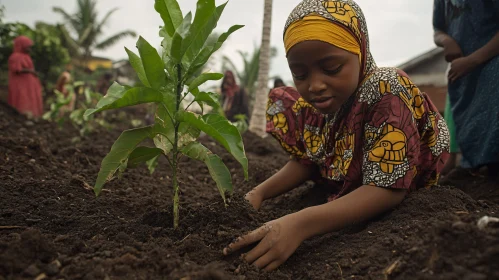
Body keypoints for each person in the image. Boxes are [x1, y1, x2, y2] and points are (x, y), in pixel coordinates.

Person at [223, 0, 450, 271]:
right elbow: (310, 160)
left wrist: (299, 225)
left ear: (360, 51)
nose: (315, 85)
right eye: (300, 74)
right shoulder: (320, 104)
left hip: (399, 190)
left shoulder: (385, 91)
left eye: (331, 69)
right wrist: (258, 194)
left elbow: (388, 189)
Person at [433, 0, 499, 181]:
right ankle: (476, 168)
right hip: (463, 74)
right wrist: (446, 40)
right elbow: (437, 30)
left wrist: (472, 61)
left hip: (492, 62)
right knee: (467, 120)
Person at [7, 36, 43, 117]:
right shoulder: (15, 56)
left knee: (30, 99)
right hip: (21, 84)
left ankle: (30, 116)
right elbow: (16, 69)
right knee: (22, 99)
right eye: (28, 47)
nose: (29, 49)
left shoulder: (26, 56)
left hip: (29, 85)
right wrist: (30, 71)